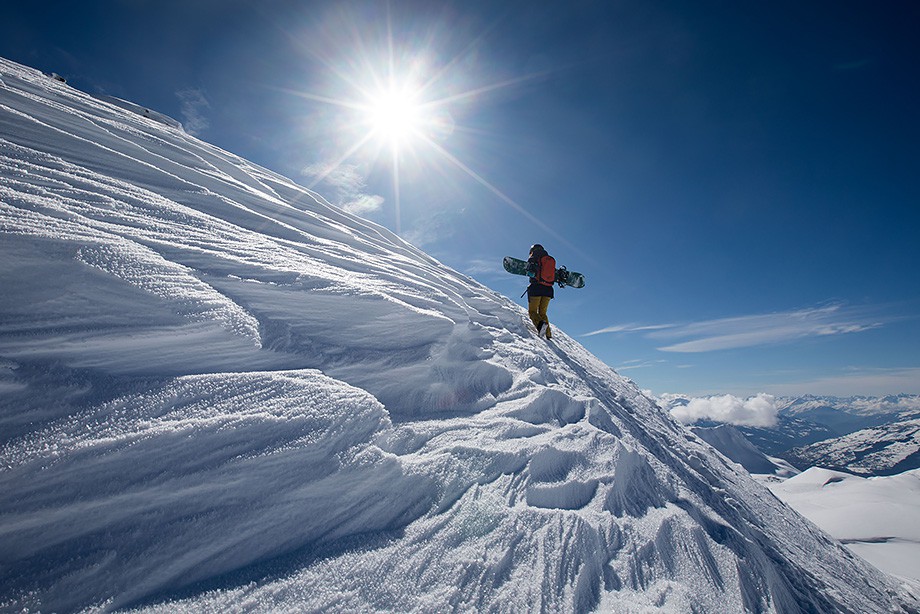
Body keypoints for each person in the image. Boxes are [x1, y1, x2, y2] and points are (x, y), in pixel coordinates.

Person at [526, 244, 555, 339]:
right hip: (548, 290)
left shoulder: (534, 257)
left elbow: (530, 272)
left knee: (532, 311)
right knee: (543, 313)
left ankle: (540, 326)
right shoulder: (549, 260)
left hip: (536, 289)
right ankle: (548, 334)